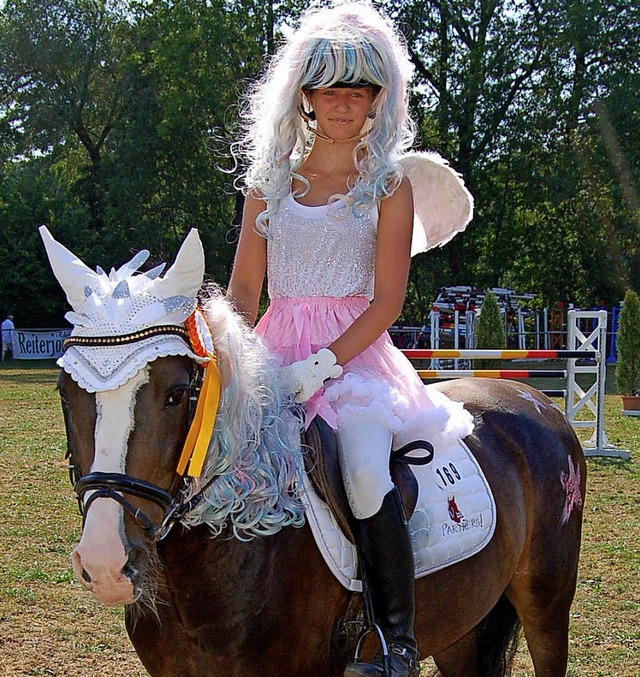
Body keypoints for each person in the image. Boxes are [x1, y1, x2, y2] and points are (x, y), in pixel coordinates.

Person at [227, 3, 474, 675]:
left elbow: (388, 298)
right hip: (274, 353)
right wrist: (227, 354)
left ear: (376, 101)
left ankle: (394, 636)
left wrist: (326, 362)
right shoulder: (268, 183)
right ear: (305, 97)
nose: (343, 103)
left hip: (354, 357)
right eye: (330, 89)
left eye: (358, 91)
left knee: (363, 466)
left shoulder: (388, 185)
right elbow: (246, 292)